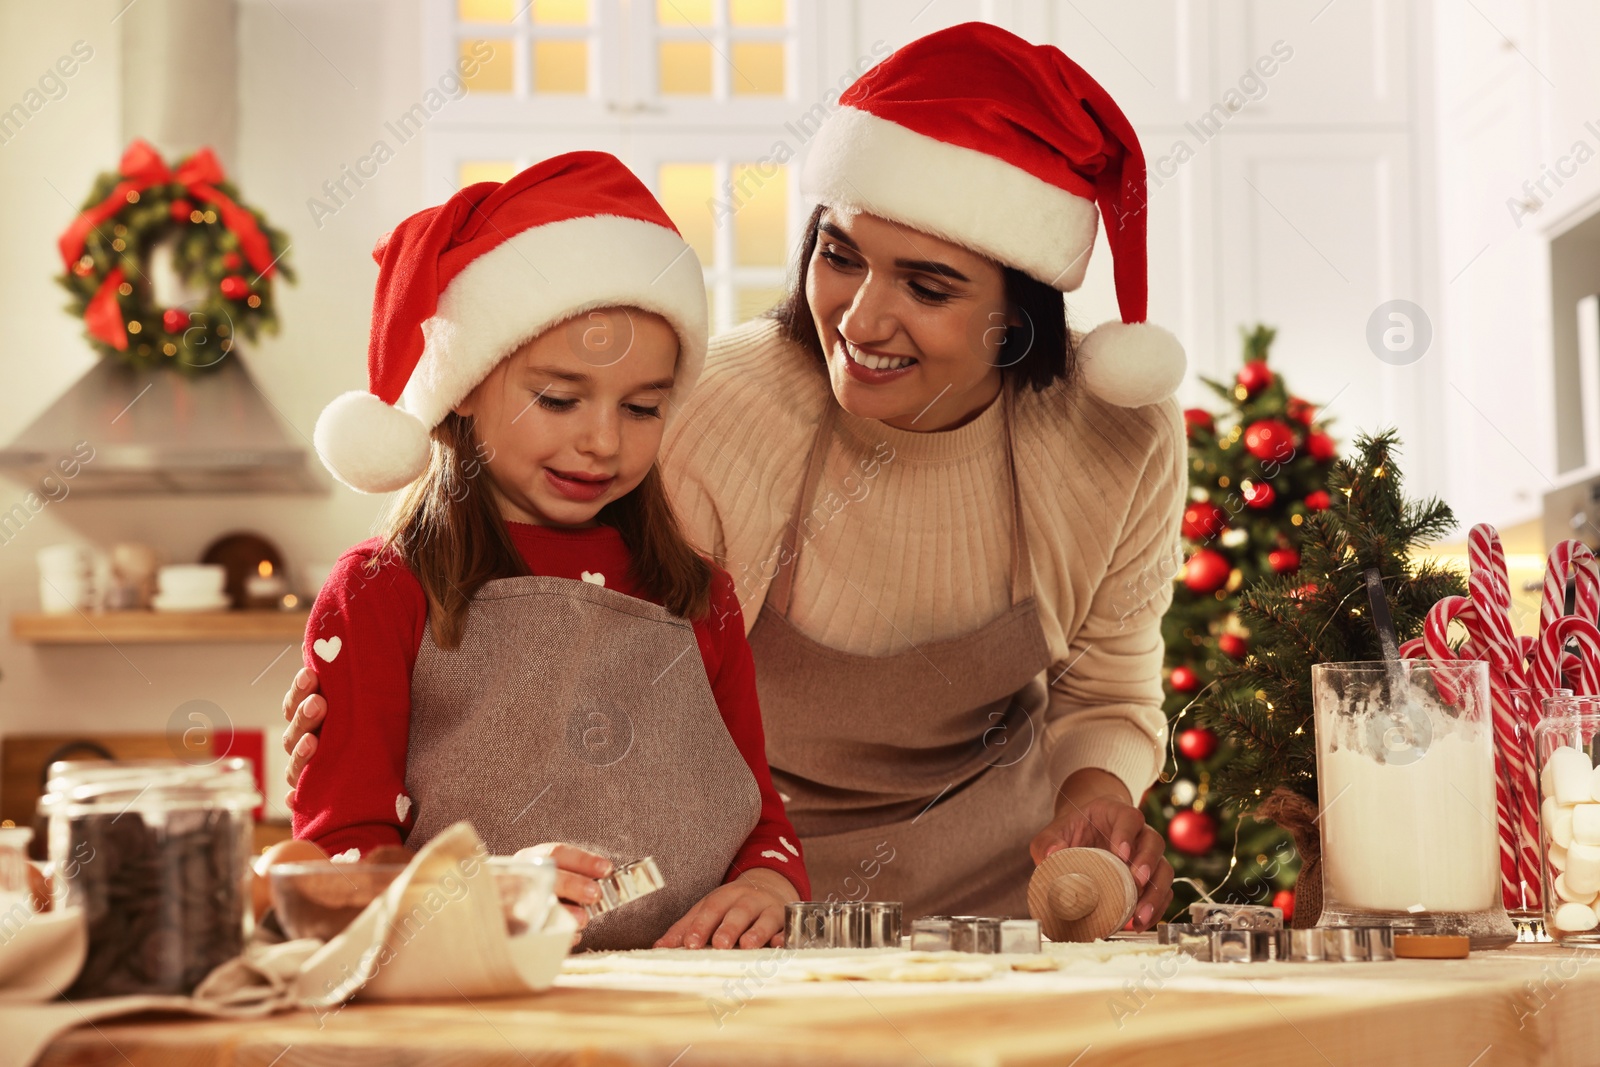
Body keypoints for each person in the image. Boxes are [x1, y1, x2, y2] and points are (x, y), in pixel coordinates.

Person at [286, 23, 1185, 929]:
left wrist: (1097, 794)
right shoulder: (704, 407)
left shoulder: (1119, 435)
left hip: (996, 910)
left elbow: (1109, 687)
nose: (862, 319)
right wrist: (369, 683)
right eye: (840, 255)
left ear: (1018, 313)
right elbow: (506, 612)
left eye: (929, 287)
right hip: (721, 926)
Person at [291, 152, 808, 952]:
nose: (602, 440)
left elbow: (756, 817)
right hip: (480, 1015)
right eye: (559, 398)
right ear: (463, 383)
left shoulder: (702, 597)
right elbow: (335, 859)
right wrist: (472, 892)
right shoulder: (382, 591)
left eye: (642, 407)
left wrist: (768, 883)